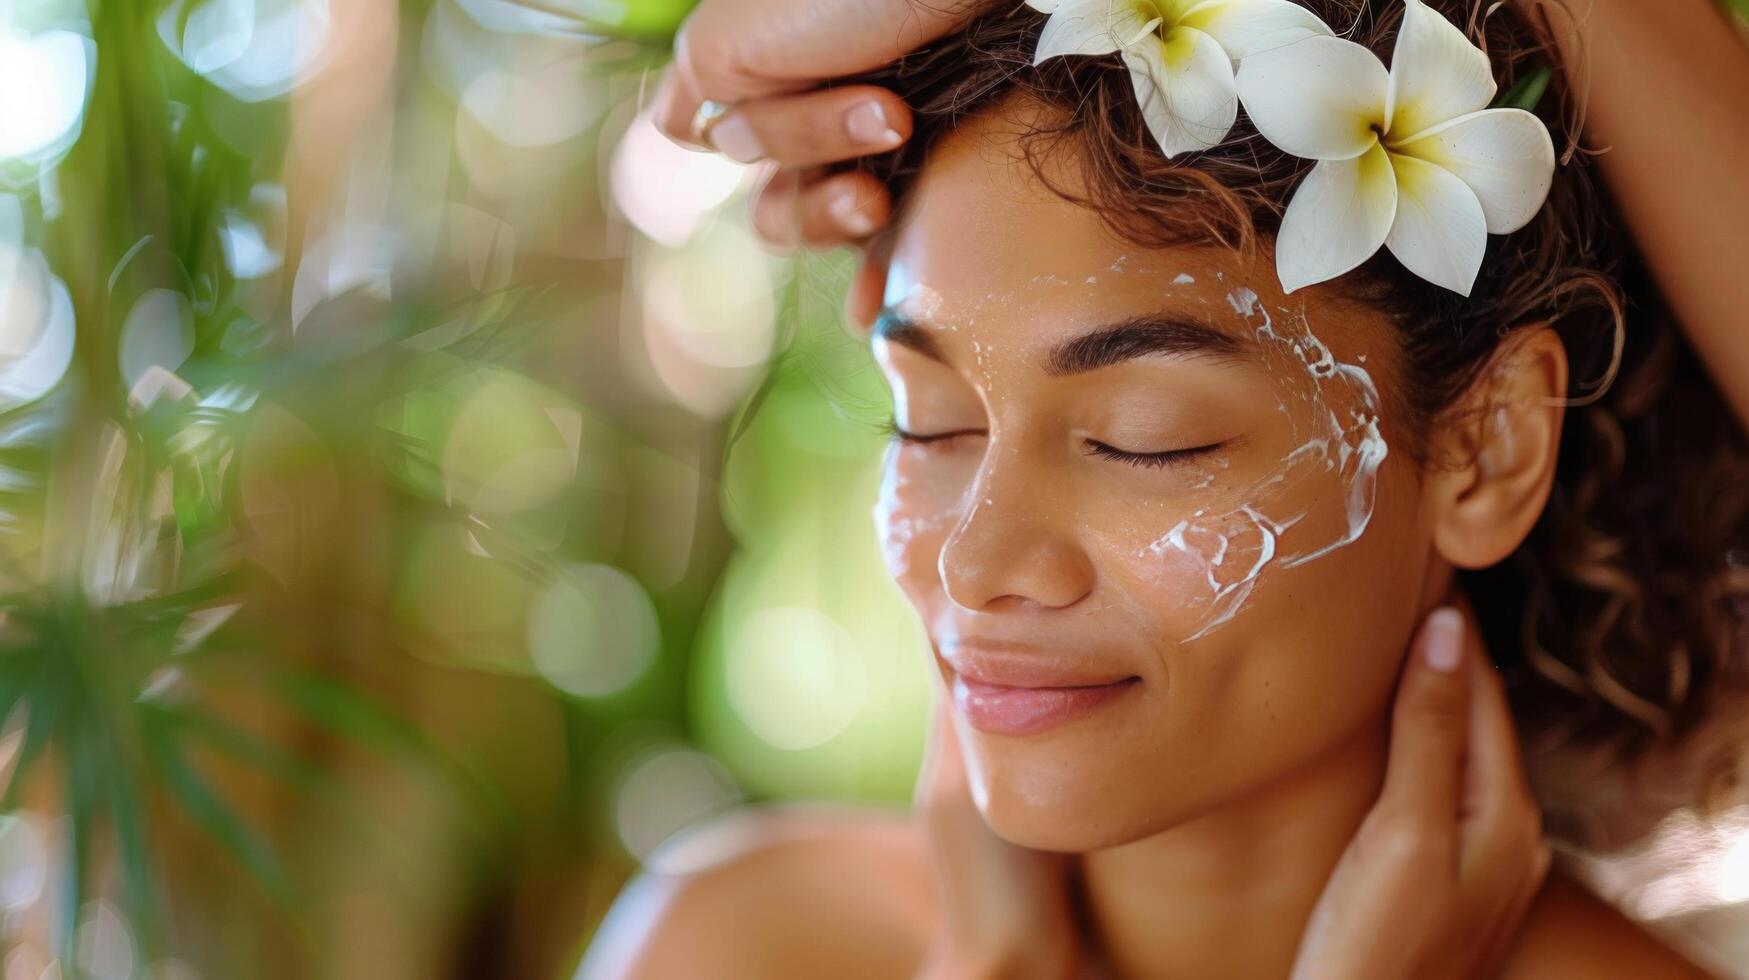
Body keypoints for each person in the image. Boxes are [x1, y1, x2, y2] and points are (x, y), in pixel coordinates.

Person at [585, 0, 1749, 976]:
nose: (975, 562)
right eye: (928, 420)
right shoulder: (740, 941)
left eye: (1145, 440)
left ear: (1485, 448)